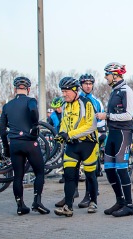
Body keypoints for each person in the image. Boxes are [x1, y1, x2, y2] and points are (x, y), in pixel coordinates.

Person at [0, 76, 50, 215]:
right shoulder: (31, 100)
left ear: (15, 89)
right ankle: (37, 201)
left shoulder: (7, 106)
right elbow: (33, 110)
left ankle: (20, 206)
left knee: (18, 176)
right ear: (28, 89)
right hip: (29, 142)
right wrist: (34, 125)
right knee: (39, 172)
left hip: (14, 144)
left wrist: (6, 148)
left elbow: (2, 130)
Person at [53, 77, 98, 217]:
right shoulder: (66, 105)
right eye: (62, 91)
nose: (64, 94)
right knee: (69, 175)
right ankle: (68, 206)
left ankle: (93, 201)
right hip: (72, 146)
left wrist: (70, 134)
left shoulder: (86, 103)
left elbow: (91, 126)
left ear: (74, 91)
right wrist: (61, 133)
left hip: (88, 144)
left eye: (66, 91)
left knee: (90, 175)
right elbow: (64, 123)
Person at [95, 62, 133, 217]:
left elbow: (128, 115)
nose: (105, 77)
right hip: (112, 132)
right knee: (109, 169)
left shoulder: (127, 91)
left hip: (123, 133)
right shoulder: (114, 91)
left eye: (107, 74)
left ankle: (129, 205)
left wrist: (107, 116)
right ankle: (120, 201)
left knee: (121, 169)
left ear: (115, 75)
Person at [78, 73, 105, 207]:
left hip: (91, 139)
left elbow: (101, 122)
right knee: (73, 168)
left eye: (90, 84)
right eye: (85, 84)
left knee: (90, 169)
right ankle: (71, 195)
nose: (88, 86)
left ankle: (89, 195)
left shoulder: (96, 101)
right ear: (81, 85)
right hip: (76, 139)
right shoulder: (76, 100)